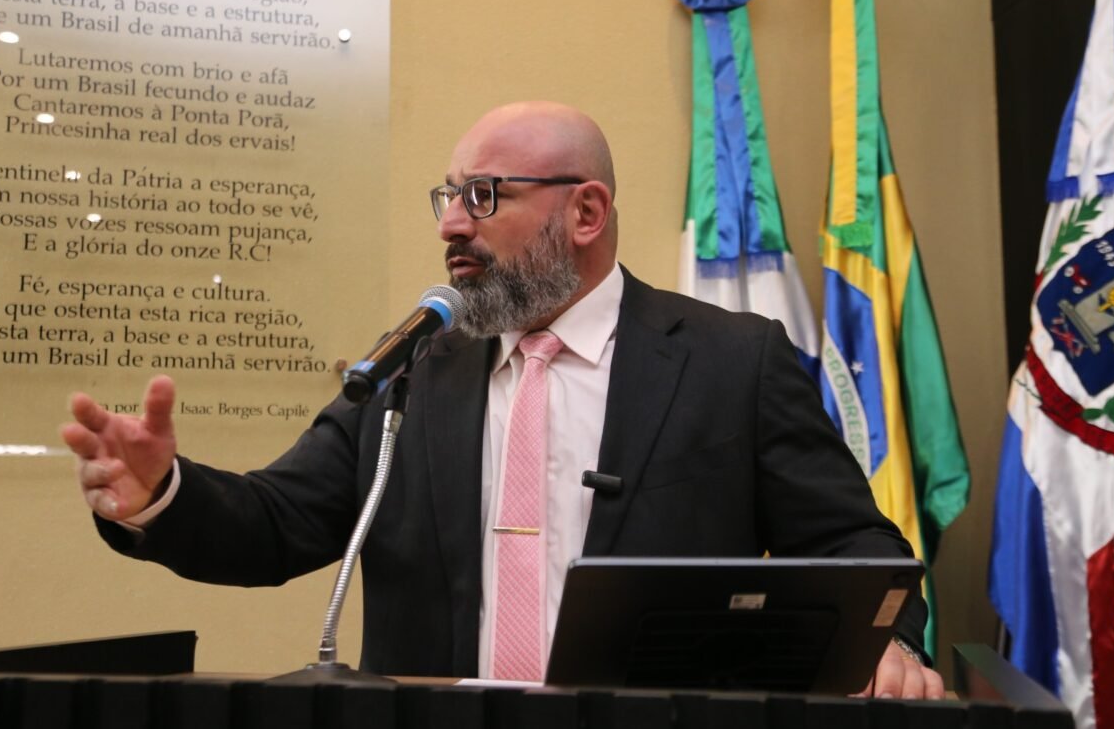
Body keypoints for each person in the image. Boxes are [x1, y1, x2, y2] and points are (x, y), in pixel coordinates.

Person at [62, 101, 944, 698]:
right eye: (448, 197)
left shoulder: (732, 362)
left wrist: (890, 645)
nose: (452, 223)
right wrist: (161, 493)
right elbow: (273, 523)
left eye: (483, 196)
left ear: (585, 213)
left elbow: (853, 546)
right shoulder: (412, 370)